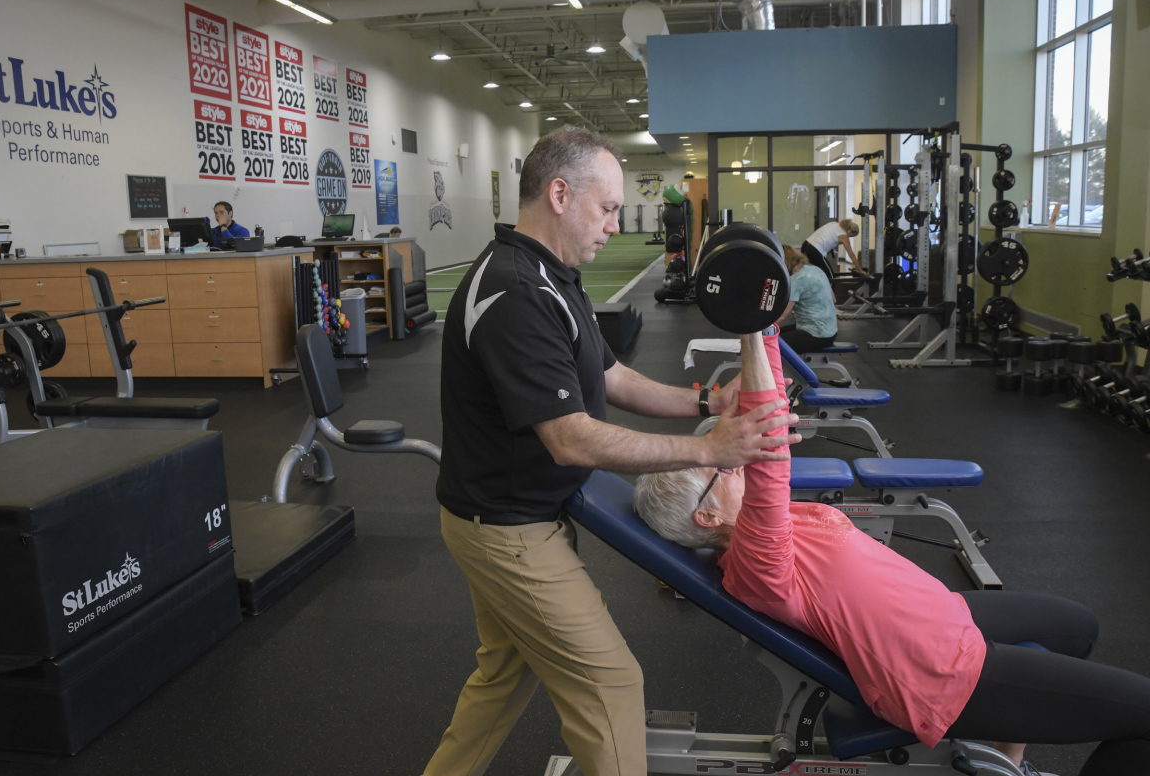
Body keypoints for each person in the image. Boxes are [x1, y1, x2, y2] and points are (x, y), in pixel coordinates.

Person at [425, 125, 797, 776]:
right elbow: (569, 438)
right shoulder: (516, 292)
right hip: (506, 529)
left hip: (508, 514)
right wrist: (709, 452)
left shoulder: (552, 275)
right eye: (608, 208)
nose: (616, 222)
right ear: (560, 194)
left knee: (503, 679)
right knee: (610, 684)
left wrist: (708, 405)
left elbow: (611, 377)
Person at [634, 329, 1150, 776]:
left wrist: (765, 325)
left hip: (946, 614)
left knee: (1076, 627)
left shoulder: (764, 523)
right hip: (941, 673)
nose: (732, 461)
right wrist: (749, 331)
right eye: (718, 470)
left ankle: (1006, 761)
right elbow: (767, 442)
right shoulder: (755, 561)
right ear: (707, 518)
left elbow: (767, 413)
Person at [778, 245, 838, 352]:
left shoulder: (796, 279)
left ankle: (771, 369)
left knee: (770, 344)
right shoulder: (816, 269)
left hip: (817, 335)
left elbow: (782, 315)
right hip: (830, 332)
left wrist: (758, 330)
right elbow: (833, 299)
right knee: (776, 333)